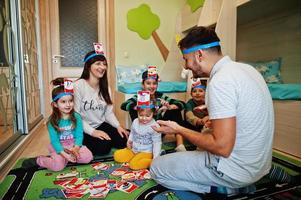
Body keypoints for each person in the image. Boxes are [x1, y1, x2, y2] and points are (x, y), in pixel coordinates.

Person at [150, 26, 274, 195]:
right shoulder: (248, 70)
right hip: (261, 166)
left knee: (157, 168)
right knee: (204, 137)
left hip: (235, 171)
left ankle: (227, 189)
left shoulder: (220, 81)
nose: (186, 67)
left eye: (186, 60)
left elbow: (222, 147)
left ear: (199, 55)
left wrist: (178, 129)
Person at [22, 78, 93, 171]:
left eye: (70, 101)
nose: (68, 105)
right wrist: (64, 154)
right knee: (57, 166)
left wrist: (75, 149)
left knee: (88, 157)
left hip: (73, 145)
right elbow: (55, 141)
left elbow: (79, 135)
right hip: (59, 146)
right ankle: (39, 160)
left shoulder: (77, 117)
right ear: (55, 104)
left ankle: (64, 159)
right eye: (63, 102)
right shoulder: (52, 121)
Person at [74, 50, 128, 156]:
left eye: (104, 64)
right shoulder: (78, 86)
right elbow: (75, 116)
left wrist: (118, 126)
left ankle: (108, 138)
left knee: (124, 140)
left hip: (100, 124)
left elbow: (108, 113)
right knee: (103, 147)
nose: (102, 67)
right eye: (98, 63)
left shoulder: (105, 88)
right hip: (83, 128)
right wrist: (93, 132)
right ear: (88, 66)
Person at [121, 67, 187, 152]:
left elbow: (182, 104)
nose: (152, 86)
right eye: (148, 83)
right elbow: (124, 105)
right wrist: (139, 107)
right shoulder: (139, 97)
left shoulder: (160, 96)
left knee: (175, 109)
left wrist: (169, 106)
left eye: (154, 83)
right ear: (143, 84)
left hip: (157, 130)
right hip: (143, 131)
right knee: (133, 108)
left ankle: (180, 145)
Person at [114, 91, 161, 170]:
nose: (144, 118)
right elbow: (132, 133)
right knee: (117, 155)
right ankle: (135, 158)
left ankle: (151, 162)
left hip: (146, 152)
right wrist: (129, 141)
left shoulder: (155, 126)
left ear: (153, 113)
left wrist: (156, 157)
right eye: (141, 115)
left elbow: (157, 142)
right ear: (137, 112)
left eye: (148, 116)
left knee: (134, 165)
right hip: (134, 149)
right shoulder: (135, 121)